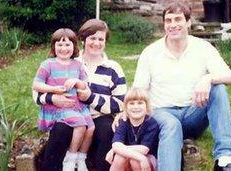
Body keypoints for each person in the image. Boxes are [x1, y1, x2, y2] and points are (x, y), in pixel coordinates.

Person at [133, 2, 231, 171]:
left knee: (219, 89)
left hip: (193, 113)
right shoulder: (151, 52)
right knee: (171, 124)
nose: (173, 25)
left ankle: (224, 159)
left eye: (178, 19)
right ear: (164, 24)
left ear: (188, 22)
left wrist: (208, 78)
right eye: (168, 20)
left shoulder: (203, 47)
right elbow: (139, 90)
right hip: (161, 113)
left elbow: (230, 76)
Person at [33, 19, 127, 171]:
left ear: (105, 41)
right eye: (92, 38)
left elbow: (120, 103)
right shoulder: (68, 60)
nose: (96, 43)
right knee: (60, 130)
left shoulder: (113, 68)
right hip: (69, 113)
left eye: (100, 39)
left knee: (107, 131)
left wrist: (90, 98)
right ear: (83, 39)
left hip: (98, 116)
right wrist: (53, 98)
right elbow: (37, 93)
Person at [32, 28, 95, 171]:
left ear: (74, 47)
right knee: (80, 125)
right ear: (53, 46)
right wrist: (53, 90)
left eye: (68, 45)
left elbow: (85, 84)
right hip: (59, 108)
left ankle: (81, 158)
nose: (63, 48)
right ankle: (70, 158)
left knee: (90, 128)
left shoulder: (78, 65)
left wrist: (77, 82)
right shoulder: (47, 64)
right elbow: (36, 85)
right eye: (59, 44)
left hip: (76, 106)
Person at [105, 87, 159, 171]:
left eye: (140, 103)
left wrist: (116, 150)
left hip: (148, 158)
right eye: (132, 103)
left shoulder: (151, 123)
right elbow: (116, 144)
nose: (136, 107)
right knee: (120, 157)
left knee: (134, 160)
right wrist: (116, 148)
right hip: (134, 157)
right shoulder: (123, 121)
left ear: (147, 107)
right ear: (126, 107)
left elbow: (144, 149)